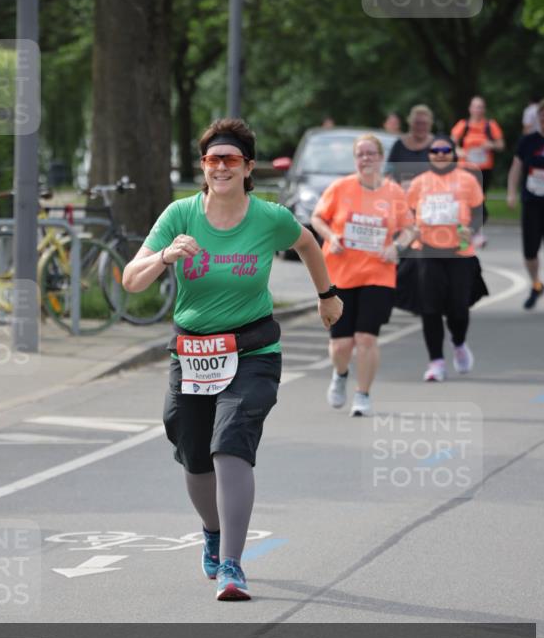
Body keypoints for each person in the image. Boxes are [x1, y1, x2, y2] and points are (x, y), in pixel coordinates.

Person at [122, 118, 343, 601]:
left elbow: (307, 242)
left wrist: (326, 295)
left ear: (248, 167)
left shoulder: (269, 217)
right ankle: (212, 532)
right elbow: (131, 280)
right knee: (194, 453)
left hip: (252, 350)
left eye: (230, 159)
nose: (220, 167)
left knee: (230, 444)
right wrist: (164, 257)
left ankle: (232, 565)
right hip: (193, 353)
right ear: (203, 167)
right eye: (211, 159)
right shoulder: (180, 215)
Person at [310, 134, 414, 417]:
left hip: (378, 274)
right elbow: (317, 218)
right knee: (341, 345)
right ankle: (340, 374)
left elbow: (410, 228)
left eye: (371, 153)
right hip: (340, 274)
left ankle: (363, 394)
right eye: (360, 154)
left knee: (366, 338)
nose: (366, 158)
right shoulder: (340, 187)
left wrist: (397, 246)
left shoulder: (393, 192)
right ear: (355, 159)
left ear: (380, 157)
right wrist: (331, 236)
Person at [406, 135, 486, 382]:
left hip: (459, 251)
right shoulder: (419, 183)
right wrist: (410, 229)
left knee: (458, 309)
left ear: (453, 153)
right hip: (427, 251)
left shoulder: (467, 180)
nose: (440, 154)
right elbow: (408, 213)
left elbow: (480, 212)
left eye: (445, 150)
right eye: (435, 150)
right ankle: (436, 362)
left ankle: (459, 343)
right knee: (430, 309)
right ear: (429, 155)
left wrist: (472, 230)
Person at [507, 98, 544, 313]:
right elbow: (516, 168)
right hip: (532, 201)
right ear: (538, 117)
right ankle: (536, 285)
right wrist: (511, 193)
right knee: (530, 252)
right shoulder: (528, 141)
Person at [451, 96, 504, 242]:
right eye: (475, 106)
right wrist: (458, 150)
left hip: (483, 169)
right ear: (470, 109)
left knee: (479, 200)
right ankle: (464, 231)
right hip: (465, 169)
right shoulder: (463, 125)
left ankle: (474, 231)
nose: (478, 110)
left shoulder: (490, 125)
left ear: (484, 109)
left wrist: (491, 145)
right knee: (465, 199)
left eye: (480, 107)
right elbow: (451, 143)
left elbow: (501, 145)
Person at [386, 104, 434, 190]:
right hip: (402, 193)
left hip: (430, 193)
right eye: (417, 123)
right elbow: (388, 173)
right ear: (410, 123)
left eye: (424, 123)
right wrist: (395, 186)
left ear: (430, 124)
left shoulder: (437, 145)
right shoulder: (399, 145)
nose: (420, 127)